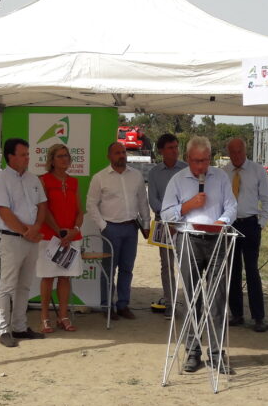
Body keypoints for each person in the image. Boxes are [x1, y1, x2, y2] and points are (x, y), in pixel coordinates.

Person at [161, 136, 237, 373]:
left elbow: (232, 207)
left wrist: (220, 222)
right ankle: (192, 351)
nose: (201, 167)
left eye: (204, 161)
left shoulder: (221, 177)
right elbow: (165, 214)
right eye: (196, 161)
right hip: (188, 240)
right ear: (187, 159)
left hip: (216, 240)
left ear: (210, 159)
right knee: (192, 298)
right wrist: (188, 206)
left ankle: (216, 353)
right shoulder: (177, 180)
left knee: (217, 298)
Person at [0, 137, 47, 347]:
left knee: (24, 285)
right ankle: (3, 328)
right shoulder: (0, 180)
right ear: (10, 156)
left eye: (28, 154)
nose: (27, 158)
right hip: (12, 239)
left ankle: (20, 327)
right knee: (7, 285)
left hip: (31, 239)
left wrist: (36, 228)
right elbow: (4, 212)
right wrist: (25, 231)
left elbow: (42, 205)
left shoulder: (33, 179)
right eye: (23, 154)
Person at [86, 142, 150, 320]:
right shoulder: (100, 178)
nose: (121, 155)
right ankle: (107, 306)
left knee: (127, 269)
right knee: (108, 270)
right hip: (111, 228)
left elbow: (143, 202)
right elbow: (91, 204)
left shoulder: (136, 176)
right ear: (109, 156)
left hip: (131, 228)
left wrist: (146, 224)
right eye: (117, 153)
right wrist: (103, 226)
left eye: (123, 152)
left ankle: (123, 305)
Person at [224, 137, 268, 333]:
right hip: (230, 226)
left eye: (239, 151)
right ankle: (236, 314)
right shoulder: (224, 173)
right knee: (232, 271)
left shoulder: (257, 171)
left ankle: (258, 317)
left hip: (250, 225)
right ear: (228, 153)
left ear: (245, 151)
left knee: (252, 271)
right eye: (232, 152)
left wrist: (260, 224)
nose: (236, 155)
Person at [37, 144, 84, 333]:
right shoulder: (43, 180)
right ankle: (44, 318)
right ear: (51, 160)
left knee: (65, 278)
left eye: (67, 156)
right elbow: (44, 209)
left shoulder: (74, 182)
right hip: (50, 237)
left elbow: (80, 211)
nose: (65, 159)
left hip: (71, 237)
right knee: (48, 277)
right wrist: (59, 232)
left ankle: (63, 317)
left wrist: (74, 229)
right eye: (60, 156)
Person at [147, 133, 187, 319]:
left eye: (176, 147)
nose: (175, 151)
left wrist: (177, 217)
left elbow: (190, 197)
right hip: (164, 225)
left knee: (187, 264)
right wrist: (168, 218)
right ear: (162, 150)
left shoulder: (186, 169)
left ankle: (190, 303)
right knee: (167, 265)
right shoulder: (154, 172)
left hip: (184, 224)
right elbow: (153, 200)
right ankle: (170, 303)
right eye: (171, 148)